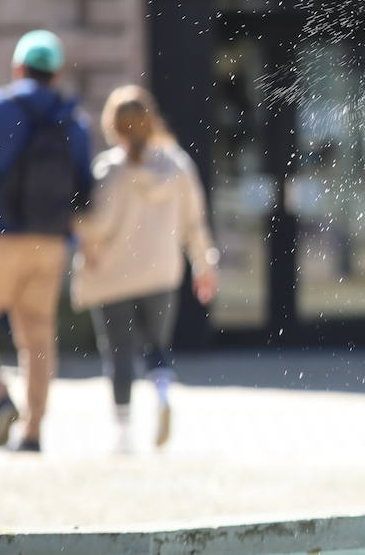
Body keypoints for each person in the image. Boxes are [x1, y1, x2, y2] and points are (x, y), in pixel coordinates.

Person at [71, 85, 218, 453]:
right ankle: (163, 391)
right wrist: (204, 264)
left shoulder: (109, 170)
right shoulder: (178, 165)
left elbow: (98, 225)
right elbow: (194, 223)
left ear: (113, 126)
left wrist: (73, 222)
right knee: (157, 345)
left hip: (112, 274)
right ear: (150, 121)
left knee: (118, 352)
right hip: (161, 272)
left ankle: (123, 436)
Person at [0, 29, 93, 453]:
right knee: (38, 336)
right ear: (56, 74)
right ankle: (33, 433)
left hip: (3, 238)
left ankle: (1, 399)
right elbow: (85, 188)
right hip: (51, 242)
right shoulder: (74, 120)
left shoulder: (1, 108)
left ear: (19, 68)